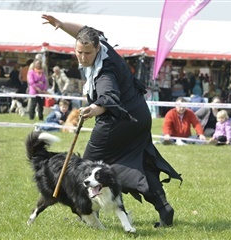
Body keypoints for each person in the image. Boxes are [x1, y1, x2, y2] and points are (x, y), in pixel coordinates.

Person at [42, 14, 182, 228]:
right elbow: (84, 30)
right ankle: (164, 209)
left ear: (97, 49)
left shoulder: (105, 71)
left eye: (87, 53)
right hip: (139, 116)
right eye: (79, 52)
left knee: (86, 167)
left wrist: (93, 108)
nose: (82, 57)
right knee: (140, 161)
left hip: (117, 120)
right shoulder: (101, 43)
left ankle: (86, 212)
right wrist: (61, 25)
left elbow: (109, 97)